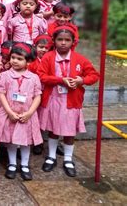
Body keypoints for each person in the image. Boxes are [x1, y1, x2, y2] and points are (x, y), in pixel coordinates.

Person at [37, 26, 99, 177]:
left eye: (67, 40)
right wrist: (60, 80)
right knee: (52, 130)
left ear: (73, 42)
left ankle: (68, 159)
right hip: (53, 99)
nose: (63, 43)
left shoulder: (80, 59)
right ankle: (51, 157)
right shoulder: (48, 57)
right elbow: (41, 75)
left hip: (71, 101)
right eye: (60, 40)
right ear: (54, 41)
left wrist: (81, 80)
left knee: (69, 132)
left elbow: (94, 76)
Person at [0, 42, 42, 181]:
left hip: (26, 114)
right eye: (13, 57)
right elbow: (1, 93)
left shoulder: (34, 78)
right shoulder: (5, 75)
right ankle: (12, 164)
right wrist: (9, 112)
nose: (14, 61)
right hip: (11, 114)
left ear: (28, 61)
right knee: (11, 140)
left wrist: (29, 113)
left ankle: (25, 165)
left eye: (19, 59)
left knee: (26, 141)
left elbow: (38, 96)